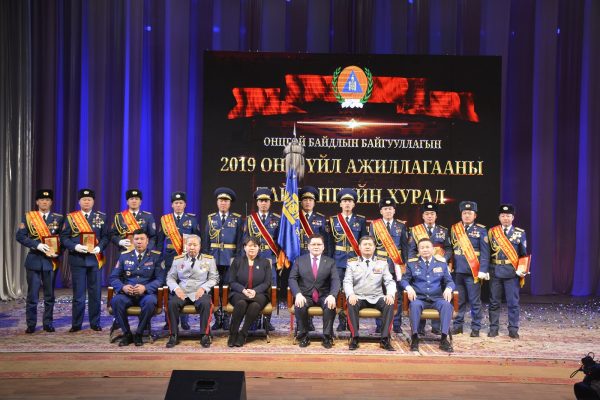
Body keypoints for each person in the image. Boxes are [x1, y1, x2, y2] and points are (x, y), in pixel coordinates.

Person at [60, 188, 109, 332]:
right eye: (84, 199)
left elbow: (106, 236)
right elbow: (64, 238)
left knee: (95, 294)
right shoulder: (71, 218)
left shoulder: (101, 217)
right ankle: (76, 324)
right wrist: (75, 246)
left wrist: (100, 247)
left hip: (95, 259)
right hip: (78, 259)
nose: (86, 202)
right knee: (78, 294)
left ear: (93, 201)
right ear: (79, 201)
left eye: (89, 199)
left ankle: (95, 323)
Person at [15, 189, 63, 333]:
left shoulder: (58, 218)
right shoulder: (29, 217)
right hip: (34, 260)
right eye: (41, 200)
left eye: (47, 200)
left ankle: (48, 323)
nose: (44, 202)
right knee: (32, 295)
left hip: (50, 261)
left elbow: (64, 238)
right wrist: (37, 245)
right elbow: (20, 236)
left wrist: (58, 251)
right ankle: (31, 324)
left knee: (49, 295)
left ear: (51, 202)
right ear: (37, 202)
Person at [109, 229, 165, 347]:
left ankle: (139, 333)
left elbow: (160, 279)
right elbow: (113, 277)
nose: (139, 242)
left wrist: (145, 287)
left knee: (150, 302)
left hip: (146, 295)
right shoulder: (124, 256)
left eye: (142, 239)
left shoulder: (156, 256)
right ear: (132, 241)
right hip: (127, 295)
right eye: (136, 239)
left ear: (147, 241)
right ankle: (127, 334)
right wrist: (123, 287)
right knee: (116, 301)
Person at [157, 191, 201, 331]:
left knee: (185, 286)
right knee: (170, 288)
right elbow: (159, 241)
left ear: (185, 204)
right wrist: (158, 258)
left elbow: (197, 239)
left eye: (181, 203)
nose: (178, 205)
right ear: (172, 205)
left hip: (187, 258)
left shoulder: (192, 219)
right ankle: (169, 320)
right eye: (176, 203)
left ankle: (185, 320)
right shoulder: (165, 220)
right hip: (170, 258)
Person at [401, 238, 455, 352]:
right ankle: (415, 337)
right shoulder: (412, 264)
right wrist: (409, 288)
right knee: (414, 305)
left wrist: (449, 288)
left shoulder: (441, 264)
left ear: (433, 249)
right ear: (418, 250)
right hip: (419, 298)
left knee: (447, 305)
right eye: (422, 248)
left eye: (427, 247)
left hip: (437, 299)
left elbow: (450, 281)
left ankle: (444, 339)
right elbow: (404, 280)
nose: (425, 250)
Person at [165, 235, 218, 348]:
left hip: (200, 291)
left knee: (206, 303)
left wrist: (203, 288)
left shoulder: (209, 260)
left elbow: (214, 278)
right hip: (183, 291)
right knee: (171, 303)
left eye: (195, 245)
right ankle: (173, 335)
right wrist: (176, 288)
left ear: (200, 246)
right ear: (186, 246)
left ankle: (204, 335)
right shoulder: (178, 260)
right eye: (189, 245)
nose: (192, 247)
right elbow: (170, 278)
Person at [344, 236, 396, 351]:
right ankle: (354, 337)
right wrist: (351, 294)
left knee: (389, 303)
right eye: (365, 244)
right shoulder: (352, 263)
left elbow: (389, 281)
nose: (367, 247)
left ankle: (385, 339)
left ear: (374, 247)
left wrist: (390, 294)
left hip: (377, 296)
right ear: (359, 247)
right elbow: (347, 281)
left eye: (370, 244)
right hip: (359, 296)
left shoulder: (382, 262)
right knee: (351, 302)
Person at [408, 202, 452, 335]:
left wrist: (444, 259)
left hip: (438, 266)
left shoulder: (443, 230)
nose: (429, 216)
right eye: (427, 214)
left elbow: (448, 248)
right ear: (422, 216)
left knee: (437, 292)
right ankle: (420, 328)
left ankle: (437, 327)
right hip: (420, 265)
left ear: (436, 216)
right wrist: (415, 263)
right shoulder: (415, 230)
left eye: (432, 214)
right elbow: (412, 250)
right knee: (420, 290)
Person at [288, 234, 339, 348]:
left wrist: (332, 295)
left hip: (323, 295)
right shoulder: (299, 260)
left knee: (330, 305)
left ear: (323, 247)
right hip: (305, 295)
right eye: (313, 244)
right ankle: (304, 336)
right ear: (308, 246)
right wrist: (298, 294)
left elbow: (335, 280)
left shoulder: (330, 262)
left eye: (319, 244)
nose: (316, 246)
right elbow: (292, 278)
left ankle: (327, 336)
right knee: (300, 305)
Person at [203, 187, 243, 331]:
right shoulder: (211, 218)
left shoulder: (237, 219)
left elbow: (240, 242)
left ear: (230, 203)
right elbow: (206, 241)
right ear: (217, 202)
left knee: (227, 289)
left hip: (229, 260)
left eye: (226, 201)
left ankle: (226, 318)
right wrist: (206, 259)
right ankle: (217, 318)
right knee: (214, 289)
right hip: (213, 260)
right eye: (221, 200)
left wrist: (237, 259)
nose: (223, 203)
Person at [241, 188, 280, 331]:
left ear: (270, 203)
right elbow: (245, 241)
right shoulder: (250, 220)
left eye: (266, 201)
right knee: (253, 288)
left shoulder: (277, 219)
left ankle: (267, 320)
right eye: (261, 201)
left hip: (270, 259)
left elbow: (280, 241)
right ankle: (254, 319)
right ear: (257, 203)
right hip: (254, 258)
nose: (263, 203)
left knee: (270, 289)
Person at [487, 204, 528, 339]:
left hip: (512, 273)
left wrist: (522, 269)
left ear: (513, 217)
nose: (505, 218)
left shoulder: (519, 233)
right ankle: (493, 328)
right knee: (494, 302)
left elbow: (523, 254)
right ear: (499, 217)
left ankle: (513, 329)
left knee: (513, 303)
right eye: (503, 216)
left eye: (508, 216)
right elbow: (487, 253)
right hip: (495, 271)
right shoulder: (492, 232)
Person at [329, 188, 367, 332]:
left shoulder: (360, 220)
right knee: (339, 291)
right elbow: (330, 243)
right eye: (344, 201)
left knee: (354, 291)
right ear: (340, 204)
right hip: (338, 260)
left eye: (350, 201)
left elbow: (364, 241)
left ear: (354, 204)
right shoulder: (333, 220)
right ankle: (341, 320)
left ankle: (352, 320)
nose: (347, 203)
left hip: (355, 260)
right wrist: (330, 261)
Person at [450, 201, 490, 337]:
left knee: (474, 301)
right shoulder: (455, 228)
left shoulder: (481, 230)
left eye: (470, 213)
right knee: (458, 300)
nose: (467, 215)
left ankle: (476, 327)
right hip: (457, 271)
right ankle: (458, 326)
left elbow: (485, 253)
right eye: (464, 213)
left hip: (473, 272)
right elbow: (452, 249)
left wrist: (483, 269)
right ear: (461, 214)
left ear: (475, 215)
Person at [369, 197, 408, 334]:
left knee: (397, 295)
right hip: (379, 264)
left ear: (394, 210)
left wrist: (404, 265)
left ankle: (396, 324)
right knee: (380, 294)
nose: (388, 211)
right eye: (385, 209)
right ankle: (380, 324)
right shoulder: (375, 225)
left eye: (390, 208)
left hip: (396, 265)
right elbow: (371, 246)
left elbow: (404, 246)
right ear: (381, 211)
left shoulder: (401, 225)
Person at [227, 237, 272, 347]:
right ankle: (233, 333)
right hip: (239, 293)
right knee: (242, 303)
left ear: (259, 248)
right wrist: (243, 290)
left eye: (255, 246)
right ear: (244, 247)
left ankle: (243, 334)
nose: (252, 248)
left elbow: (267, 282)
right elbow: (232, 281)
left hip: (259, 294)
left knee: (255, 305)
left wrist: (255, 291)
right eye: (249, 246)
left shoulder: (265, 263)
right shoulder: (237, 262)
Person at [298, 185, 330, 332]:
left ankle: (310, 321)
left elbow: (326, 241)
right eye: (305, 199)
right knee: (302, 289)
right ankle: (303, 321)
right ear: (301, 201)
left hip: (316, 258)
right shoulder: (294, 217)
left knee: (314, 287)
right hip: (299, 257)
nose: (307, 202)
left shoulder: (321, 219)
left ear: (314, 202)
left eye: (310, 199)